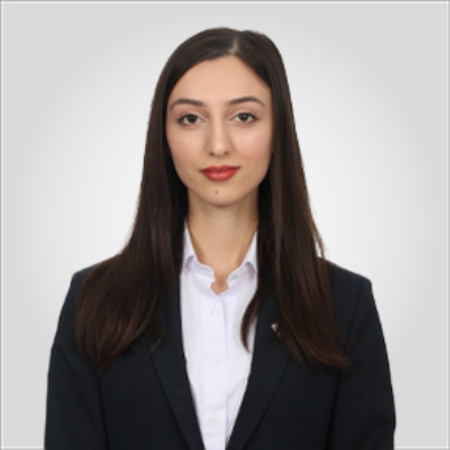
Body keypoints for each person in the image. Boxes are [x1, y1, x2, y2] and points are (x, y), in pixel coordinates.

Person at [45, 27, 396, 450]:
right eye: (191, 118)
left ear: (278, 131)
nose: (217, 144)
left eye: (243, 117)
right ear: (164, 137)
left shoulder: (345, 305)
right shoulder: (95, 300)